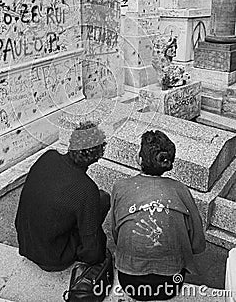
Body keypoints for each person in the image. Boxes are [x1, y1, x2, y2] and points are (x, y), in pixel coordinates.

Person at [111, 130, 206, 301]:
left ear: (139, 159)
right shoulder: (181, 190)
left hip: (130, 282)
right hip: (171, 283)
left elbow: (116, 234)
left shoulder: (120, 187)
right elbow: (197, 242)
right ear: (167, 162)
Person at [15, 121, 110, 272]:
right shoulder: (86, 189)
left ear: (71, 143)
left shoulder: (48, 156)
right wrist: (98, 256)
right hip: (53, 259)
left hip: (26, 243)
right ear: (96, 158)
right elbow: (92, 249)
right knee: (103, 199)